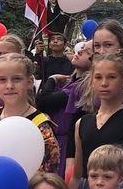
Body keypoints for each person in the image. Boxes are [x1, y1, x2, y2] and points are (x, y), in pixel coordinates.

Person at [74, 53, 123, 189]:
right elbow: (77, 175)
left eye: (111, 77)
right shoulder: (82, 123)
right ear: (92, 81)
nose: (104, 83)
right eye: (98, 77)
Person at [0, 53, 60, 176]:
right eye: (2, 80)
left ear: (29, 82)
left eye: (17, 79)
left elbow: (49, 172)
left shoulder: (40, 126)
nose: (9, 86)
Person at [36, 38, 93, 176]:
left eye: (87, 51)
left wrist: (52, 79)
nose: (79, 51)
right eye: (82, 47)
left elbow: (43, 101)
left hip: (66, 144)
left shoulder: (80, 87)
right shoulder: (70, 82)